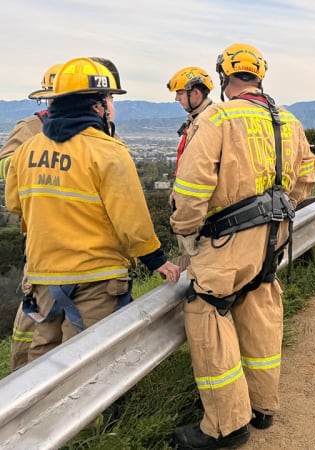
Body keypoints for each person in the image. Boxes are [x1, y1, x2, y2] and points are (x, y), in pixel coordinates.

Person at [169, 43, 315, 450]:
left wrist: (186, 232)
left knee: (206, 309)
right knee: (261, 310)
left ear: (223, 78)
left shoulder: (219, 116)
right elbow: (306, 179)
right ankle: (262, 406)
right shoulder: (289, 121)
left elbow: (191, 186)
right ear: (259, 76)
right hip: (274, 236)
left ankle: (225, 424)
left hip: (228, 239)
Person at [4, 57, 181, 368]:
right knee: (85, 368)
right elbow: (132, 222)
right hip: (95, 279)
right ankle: (95, 419)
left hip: (44, 277)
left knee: (41, 364)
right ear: (97, 106)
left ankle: (40, 419)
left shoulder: (27, 151)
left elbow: (16, 205)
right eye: (109, 98)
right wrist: (157, 260)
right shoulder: (108, 151)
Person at [1, 63, 61, 371]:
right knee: (33, 321)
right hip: (41, 240)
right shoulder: (30, 128)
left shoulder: (93, 128)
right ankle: (20, 384)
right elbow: (7, 169)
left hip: (80, 244)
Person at [166, 66, 214, 176]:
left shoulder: (208, 122)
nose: (176, 98)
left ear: (196, 93)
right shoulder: (196, 119)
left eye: (180, 93)